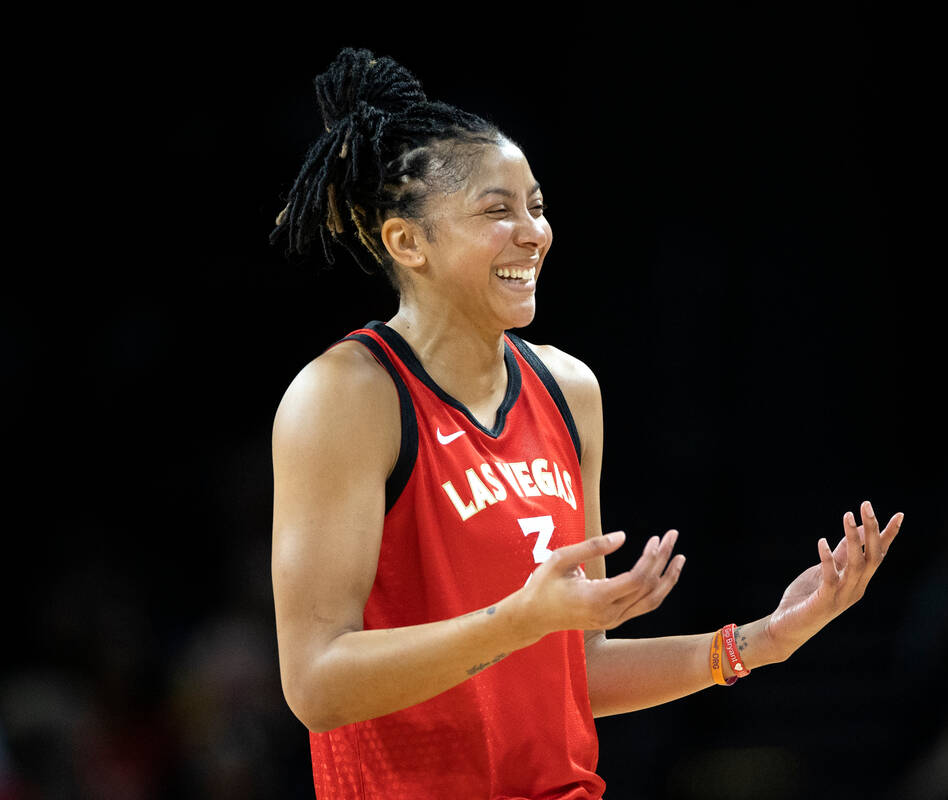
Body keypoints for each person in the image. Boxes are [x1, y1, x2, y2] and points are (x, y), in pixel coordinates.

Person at [270, 47, 904, 800]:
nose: (533, 233)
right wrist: (516, 622)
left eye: (536, 205)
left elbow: (577, 671)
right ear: (410, 243)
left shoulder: (569, 389)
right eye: (496, 211)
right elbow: (315, 684)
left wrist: (759, 642)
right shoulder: (348, 395)